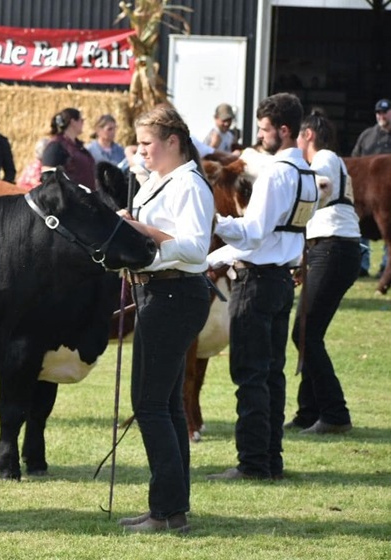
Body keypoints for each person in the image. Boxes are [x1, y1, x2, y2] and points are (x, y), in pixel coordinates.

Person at [206, 92, 318, 481]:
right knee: (272, 373)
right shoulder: (307, 174)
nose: (259, 136)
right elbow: (276, 234)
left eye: (264, 129)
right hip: (280, 280)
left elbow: (253, 232)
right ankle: (270, 459)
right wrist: (217, 258)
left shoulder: (275, 173)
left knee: (250, 374)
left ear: (283, 130)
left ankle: (252, 463)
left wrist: (215, 222)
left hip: (255, 282)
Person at [115, 106, 213, 533]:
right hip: (161, 292)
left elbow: (195, 247)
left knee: (150, 404)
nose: (140, 151)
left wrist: (140, 231)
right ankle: (171, 509)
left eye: (147, 143)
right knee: (166, 404)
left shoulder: (189, 184)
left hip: (174, 292)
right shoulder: (163, 180)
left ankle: (166, 510)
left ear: (173, 142)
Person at [286, 110, 360, 435]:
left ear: (308, 136)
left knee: (305, 333)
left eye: (298, 138)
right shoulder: (333, 159)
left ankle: (335, 413)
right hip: (332, 249)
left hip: (332, 249)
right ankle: (309, 412)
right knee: (308, 333)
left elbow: (321, 186)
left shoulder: (324, 158)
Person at [350, 98, 391, 277]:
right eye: (378, 113)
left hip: (388, 192)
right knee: (360, 224)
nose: (381, 116)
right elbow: (355, 158)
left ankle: (386, 265)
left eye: (385, 112)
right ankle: (362, 264)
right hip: (367, 191)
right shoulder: (367, 136)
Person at [42, 107, 96, 189]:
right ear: (73, 122)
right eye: (81, 120)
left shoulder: (78, 147)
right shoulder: (55, 147)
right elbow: (48, 179)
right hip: (68, 195)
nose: (83, 123)